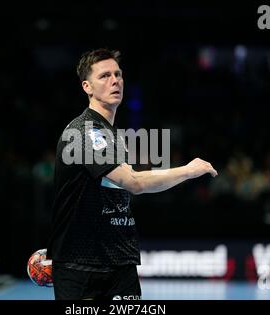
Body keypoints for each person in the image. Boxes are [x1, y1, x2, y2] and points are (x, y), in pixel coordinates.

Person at [46, 48, 218, 300]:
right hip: (81, 267)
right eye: (104, 76)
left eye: (118, 74)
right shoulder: (84, 132)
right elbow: (134, 183)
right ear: (87, 87)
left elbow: (132, 185)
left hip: (120, 263)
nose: (115, 80)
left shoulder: (115, 136)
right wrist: (188, 170)